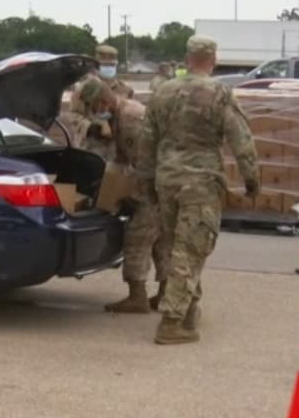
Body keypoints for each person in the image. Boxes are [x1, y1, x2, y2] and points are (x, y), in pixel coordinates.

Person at [138, 35, 258, 345]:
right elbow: (241, 140)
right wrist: (251, 180)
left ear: (187, 58)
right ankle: (172, 322)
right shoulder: (219, 93)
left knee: (177, 246)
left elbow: (146, 140)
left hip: (166, 180)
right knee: (191, 248)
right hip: (201, 182)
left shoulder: (163, 91)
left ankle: (189, 309)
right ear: (213, 60)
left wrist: (146, 181)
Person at [80, 79, 168, 313]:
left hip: (154, 189)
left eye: (94, 107)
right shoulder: (119, 115)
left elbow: (146, 163)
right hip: (158, 186)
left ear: (103, 101)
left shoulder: (130, 119)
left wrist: (131, 195)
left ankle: (137, 298)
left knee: (136, 238)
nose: (95, 112)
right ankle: (167, 294)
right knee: (161, 241)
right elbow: (121, 159)